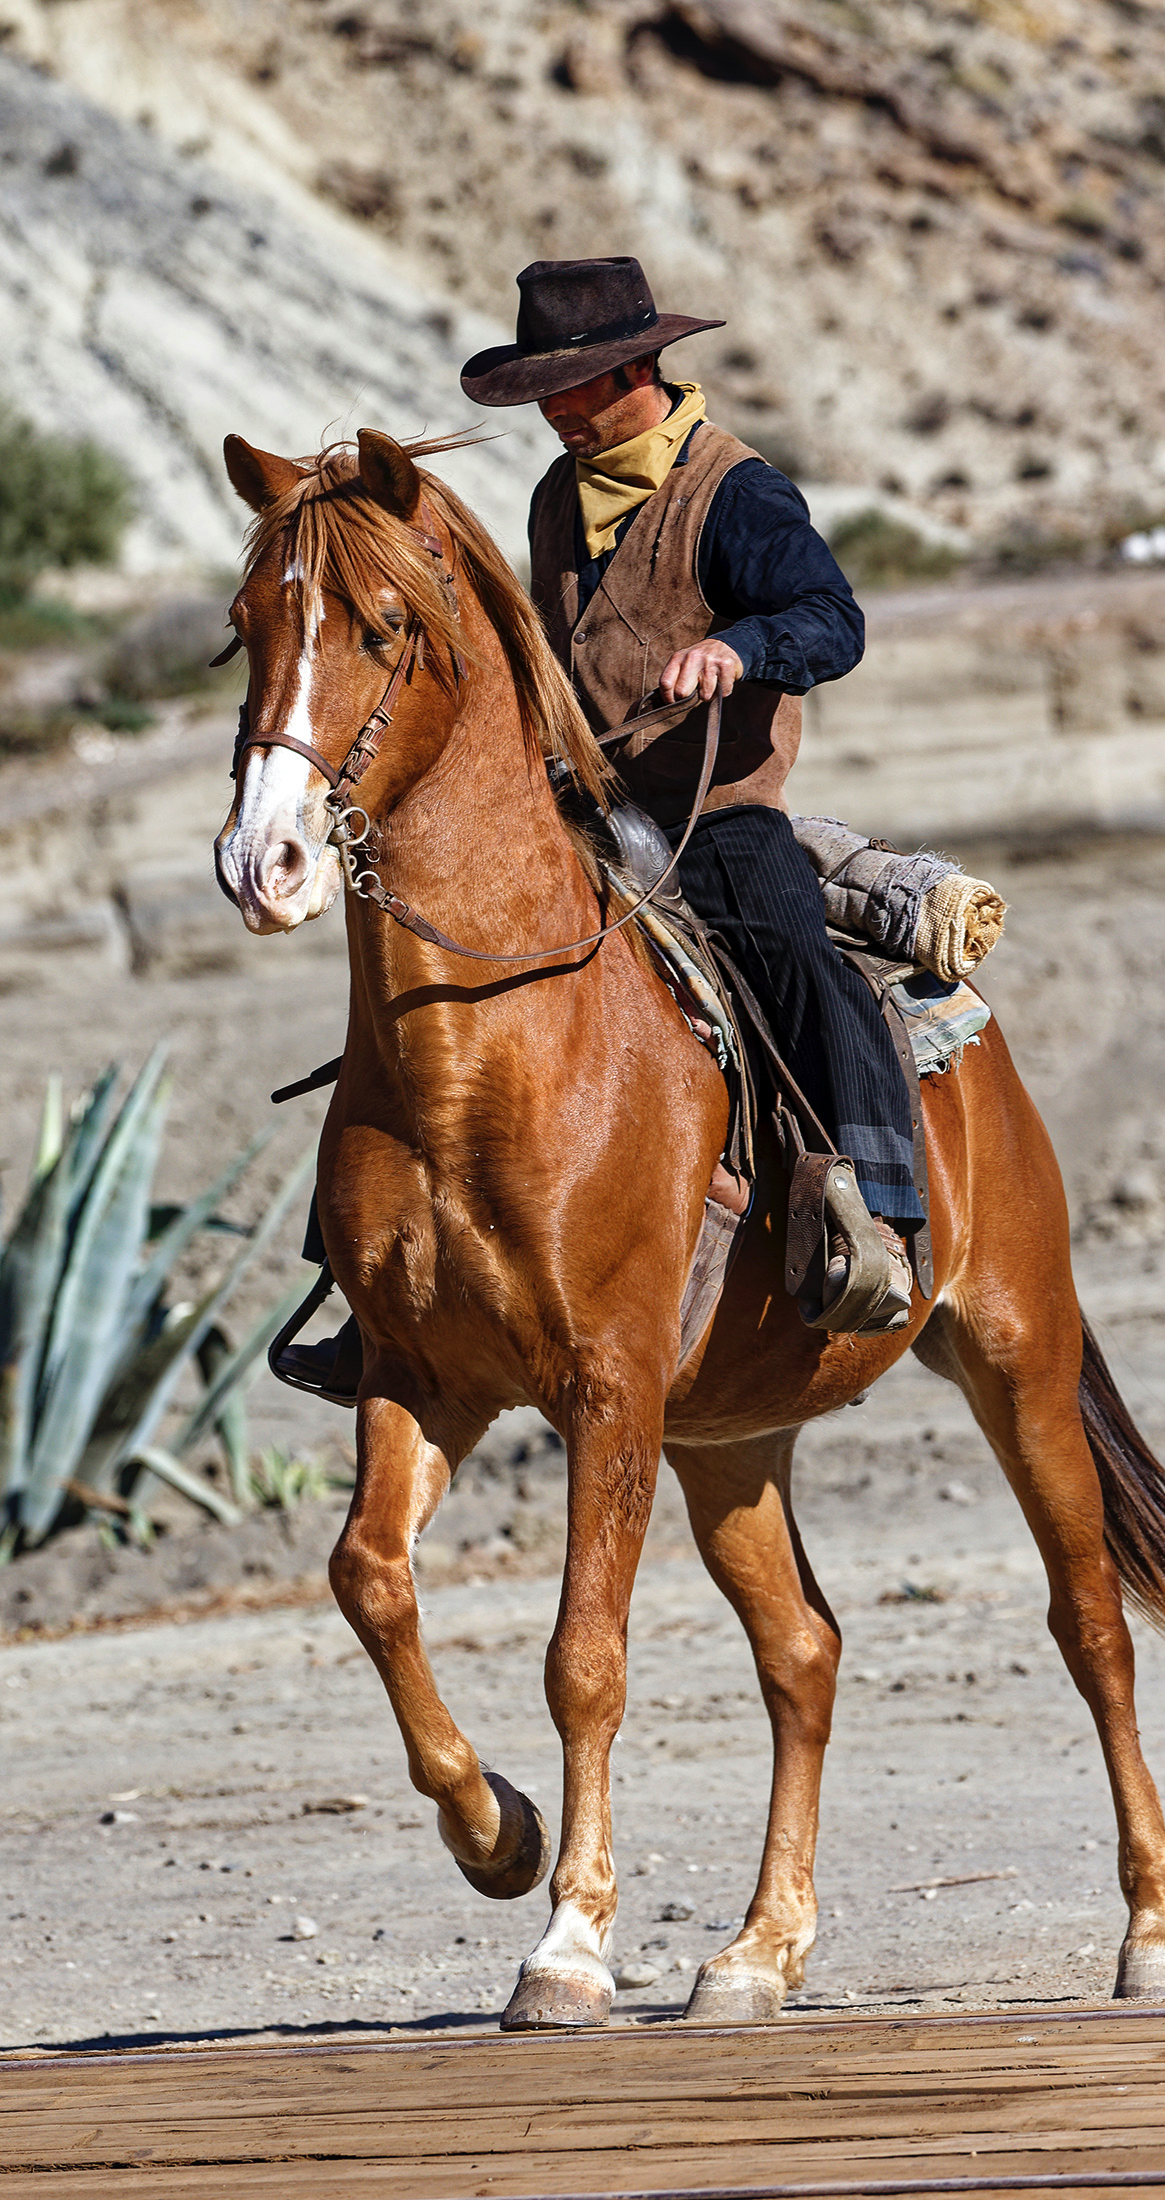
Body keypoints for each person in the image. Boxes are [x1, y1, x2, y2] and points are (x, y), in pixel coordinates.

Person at [280, 256, 919, 1401]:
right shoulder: (554, 498)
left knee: (784, 942)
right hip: (584, 803)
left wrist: (742, 648)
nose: (561, 415)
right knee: (409, 982)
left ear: (638, 367)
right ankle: (367, 1279)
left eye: (576, 390)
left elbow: (833, 618)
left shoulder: (736, 491)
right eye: (546, 397)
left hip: (714, 808)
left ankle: (876, 1208)